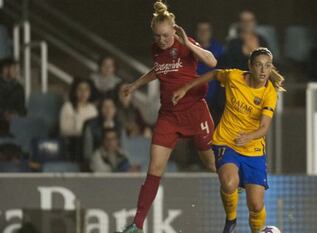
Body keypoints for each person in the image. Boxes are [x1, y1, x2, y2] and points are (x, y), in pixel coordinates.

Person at [118, 1, 217, 232]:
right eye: (157, 36)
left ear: (174, 29)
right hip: (169, 116)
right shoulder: (156, 49)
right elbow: (159, 70)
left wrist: (188, 44)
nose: (161, 40)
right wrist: (135, 85)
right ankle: (137, 224)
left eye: (165, 35)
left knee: (212, 164)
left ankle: (239, 179)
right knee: (155, 168)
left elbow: (212, 62)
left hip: (195, 111)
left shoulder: (186, 43)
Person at [172, 47, 284, 233]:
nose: (263, 71)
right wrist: (186, 88)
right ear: (250, 66)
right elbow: (214, 74)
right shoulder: (234, 77)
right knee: (229, 183)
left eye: (267, 66)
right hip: (227, 141)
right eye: (259, 65)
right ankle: (231, 220)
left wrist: (249, 136)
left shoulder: (269, 93)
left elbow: (264, 128)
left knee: (256, 205)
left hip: (253, 149)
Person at [59, 78, 98, 160]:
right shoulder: (68, 107)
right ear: (75, 91)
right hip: (73, 144)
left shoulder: (92, 108)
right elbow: (64, 130)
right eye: (80, 89)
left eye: (86, 89)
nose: (83, 93)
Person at [83, 96, 123, 162]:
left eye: (111, 106)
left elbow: (122, 148)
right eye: (105, 107)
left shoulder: (119, 125)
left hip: (116, 161)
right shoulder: (90, 125)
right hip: (96, 160)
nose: (108, 110)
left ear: (115, 109)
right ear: (100, 109)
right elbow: (87, 153)